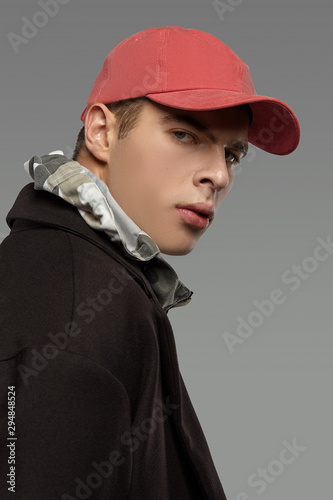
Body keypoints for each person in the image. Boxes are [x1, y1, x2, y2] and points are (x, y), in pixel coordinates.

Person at [0, 26, 300, 499]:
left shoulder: (95, 280)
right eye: (185, 134)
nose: (218, 174)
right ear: (102, 132)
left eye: (232, 154)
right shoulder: (76, 308)